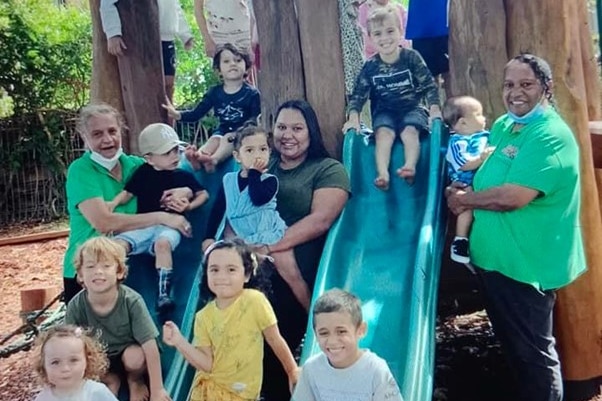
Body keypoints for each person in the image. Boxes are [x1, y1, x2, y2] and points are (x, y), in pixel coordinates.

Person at [446, 54, 586, 401]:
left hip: (526, 268)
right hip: (495, 262)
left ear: (546, 88)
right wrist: (461, 188)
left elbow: (513, 196)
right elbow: (485, 175)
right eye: (509, 85)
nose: (515, 93)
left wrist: (465, 202)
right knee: (515, 350)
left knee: (535, 357)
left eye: (526, 84)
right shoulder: (505, 126)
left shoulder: (550, 135)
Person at [260, 99, 351, 401]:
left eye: (297, 128)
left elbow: (320, 220)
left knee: (274, 342)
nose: (288, 134)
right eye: (281, 127)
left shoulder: (327, 169)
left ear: (311, 132)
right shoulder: (263, 164)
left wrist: (270, 246)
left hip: (299, 270)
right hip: (259, 267)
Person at [63, 103, 193, 304]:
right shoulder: (81, 171)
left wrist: (185, 190)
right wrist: (163, 217)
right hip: (89, 271)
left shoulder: (137, 165)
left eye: (112, 131)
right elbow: (104, 222)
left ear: (121, 131)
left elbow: (176, 173)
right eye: (97, 134)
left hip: (131, 271)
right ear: (84, 136)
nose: (107, 139)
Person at [162, 239, 299, 401]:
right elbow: (207, 364)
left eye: (231, 269)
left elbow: (275, 339)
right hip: (209, 392)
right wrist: (179, 341)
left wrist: (292, 371)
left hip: (243, 393)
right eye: (214, 270)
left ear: (247, 274)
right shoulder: (203, 316)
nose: (222, 277)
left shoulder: (254, 301)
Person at [203, 123, 312, 311]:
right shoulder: (228, 180)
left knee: (291, 273)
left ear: (269, 153)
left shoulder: (269, 180)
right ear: (237, 156)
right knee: (242, 275)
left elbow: (258, 197)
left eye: (262, 149)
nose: (257, 155)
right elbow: (218, 208)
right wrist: (208, 236)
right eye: (250, 150)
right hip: (245, 237)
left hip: (270, 233)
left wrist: (254, 173)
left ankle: (312, 317)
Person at [108, 123, 209, 313]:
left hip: (169, 228)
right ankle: (114, 287)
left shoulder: (183, 175)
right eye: (167, 153)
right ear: (149, 158)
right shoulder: (142, 173)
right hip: (145, 224)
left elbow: (203, 194)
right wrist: (113, 204)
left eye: (176, 150)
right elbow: (128, 193)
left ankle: (163, 293)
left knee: (163, 244)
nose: (174, 156)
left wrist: (189, 205)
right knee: (118, 245)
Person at [343, 6, 441, 190]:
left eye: (390, 31)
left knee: (409, 131)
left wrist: (434, 108)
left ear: (400, 32)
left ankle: (410, 166)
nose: (385, 38)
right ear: (370, 38)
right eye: (378, 34)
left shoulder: (411, 58)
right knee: (383, 134)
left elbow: (429, 84)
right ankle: (383, 174)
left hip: (412, 108)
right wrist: (353, 117)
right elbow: (358, 95)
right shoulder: (370, 66)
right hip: (385, 111)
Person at [65, 237, 171, 401]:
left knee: (135, 357)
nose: (98, 271)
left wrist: (157, 389)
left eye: (106, 266)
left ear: (119, 271)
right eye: (90, 266)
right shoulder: (76, 306)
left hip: (128, 353)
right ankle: (110, 380)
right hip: (99, 358)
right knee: (81, 356)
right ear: (80, 275)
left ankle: (135, 380)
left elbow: (150, 346)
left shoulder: (131, 301)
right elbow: (68, 347)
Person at [162, 43, 261, 172]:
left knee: (227, 139)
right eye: (226, 61)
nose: (233, 64)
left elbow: (254, 120)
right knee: (214, 139)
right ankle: (199, 157)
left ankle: (213, 160)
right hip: (222, 130)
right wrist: (178, 115)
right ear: (219, 70)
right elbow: (197, 113)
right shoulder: (215, 92)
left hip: (242, 134)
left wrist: (240, 133)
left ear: (246, 67)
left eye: (238, 60)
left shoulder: (252, 94)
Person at [292, 289, 403, 401]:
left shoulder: (376, 370)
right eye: (324, 333)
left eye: (341, 331)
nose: (332, 341)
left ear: (361, 330)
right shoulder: (312, 369)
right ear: (315, 334)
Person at [99, 0, 194, 101]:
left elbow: (174, 6)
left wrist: (185, 34)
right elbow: (107, 4)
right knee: (144, 86)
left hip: (166, 37)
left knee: (168, 83)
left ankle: (168, 116)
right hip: (140, 40)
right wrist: (113, 33)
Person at [442, 96, 491, 264]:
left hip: (482, 178)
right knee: (467, 206)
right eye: (478, 114)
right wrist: (481, 159)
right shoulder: (457, 142)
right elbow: (462, 164)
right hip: (465, 181)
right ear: (463, 123)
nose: (484, 118)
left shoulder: (484, 135)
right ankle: (460, 240)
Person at [32, 324, 117, 401]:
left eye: (73, 360)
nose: (65, 368)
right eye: (55, 362)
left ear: (87, 361)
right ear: (43, 366)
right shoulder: (43, 398)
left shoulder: (96, 392)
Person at [405, 0, 449, 94]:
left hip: (446, 21)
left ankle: (456, 106)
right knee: (428, 75)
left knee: (450, 71)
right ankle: (435, 106)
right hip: (422, 25)